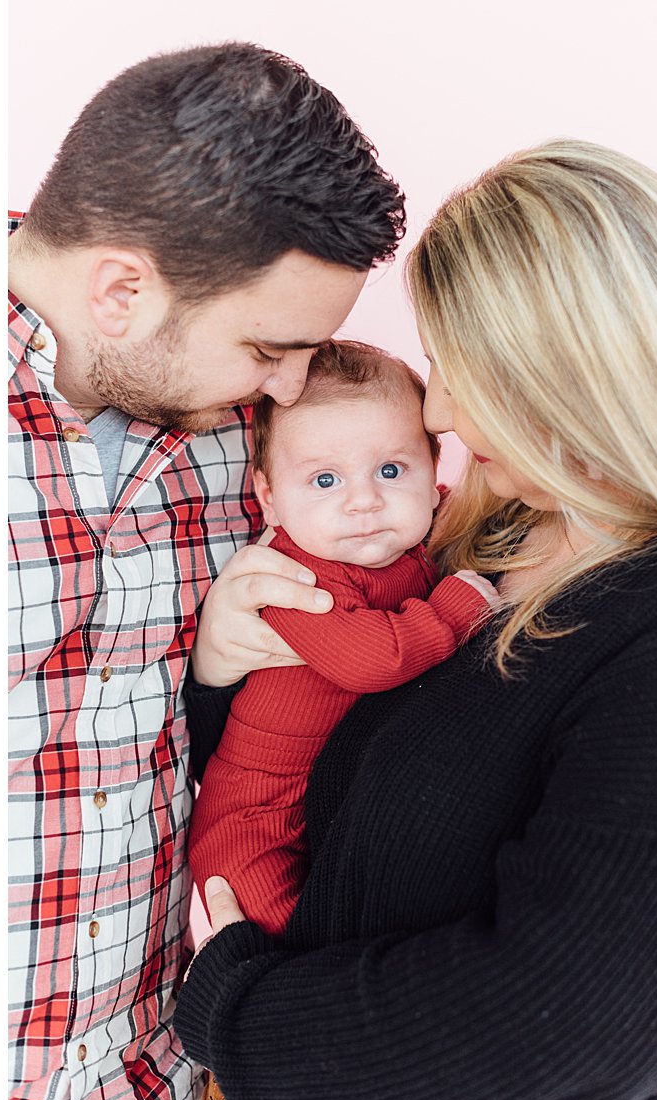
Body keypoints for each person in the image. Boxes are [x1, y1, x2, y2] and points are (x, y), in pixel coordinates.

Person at [175, 140, 657, 1100]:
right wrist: (223, 673)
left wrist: (234, 1003)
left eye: (457, 366)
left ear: (567, 377)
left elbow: (555, 1021)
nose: (435, 408)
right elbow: (349, 752)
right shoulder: (488, 530)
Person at [6, 42, 405, 1100]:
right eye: (269, 347)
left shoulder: (269, 440)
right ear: (122, 289)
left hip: (167, 1068)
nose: (291, 384)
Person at [188, 341, 495, 937]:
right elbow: (374, 660)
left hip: (339, 804)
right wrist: (460, 607)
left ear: (435, 470)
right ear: (270, 496)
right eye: (324, 480)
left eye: (391, 469)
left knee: (358, 924)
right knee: (290, 942)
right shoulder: (287, 575)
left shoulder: (417, 538)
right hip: (254, 820)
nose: (363, 502)